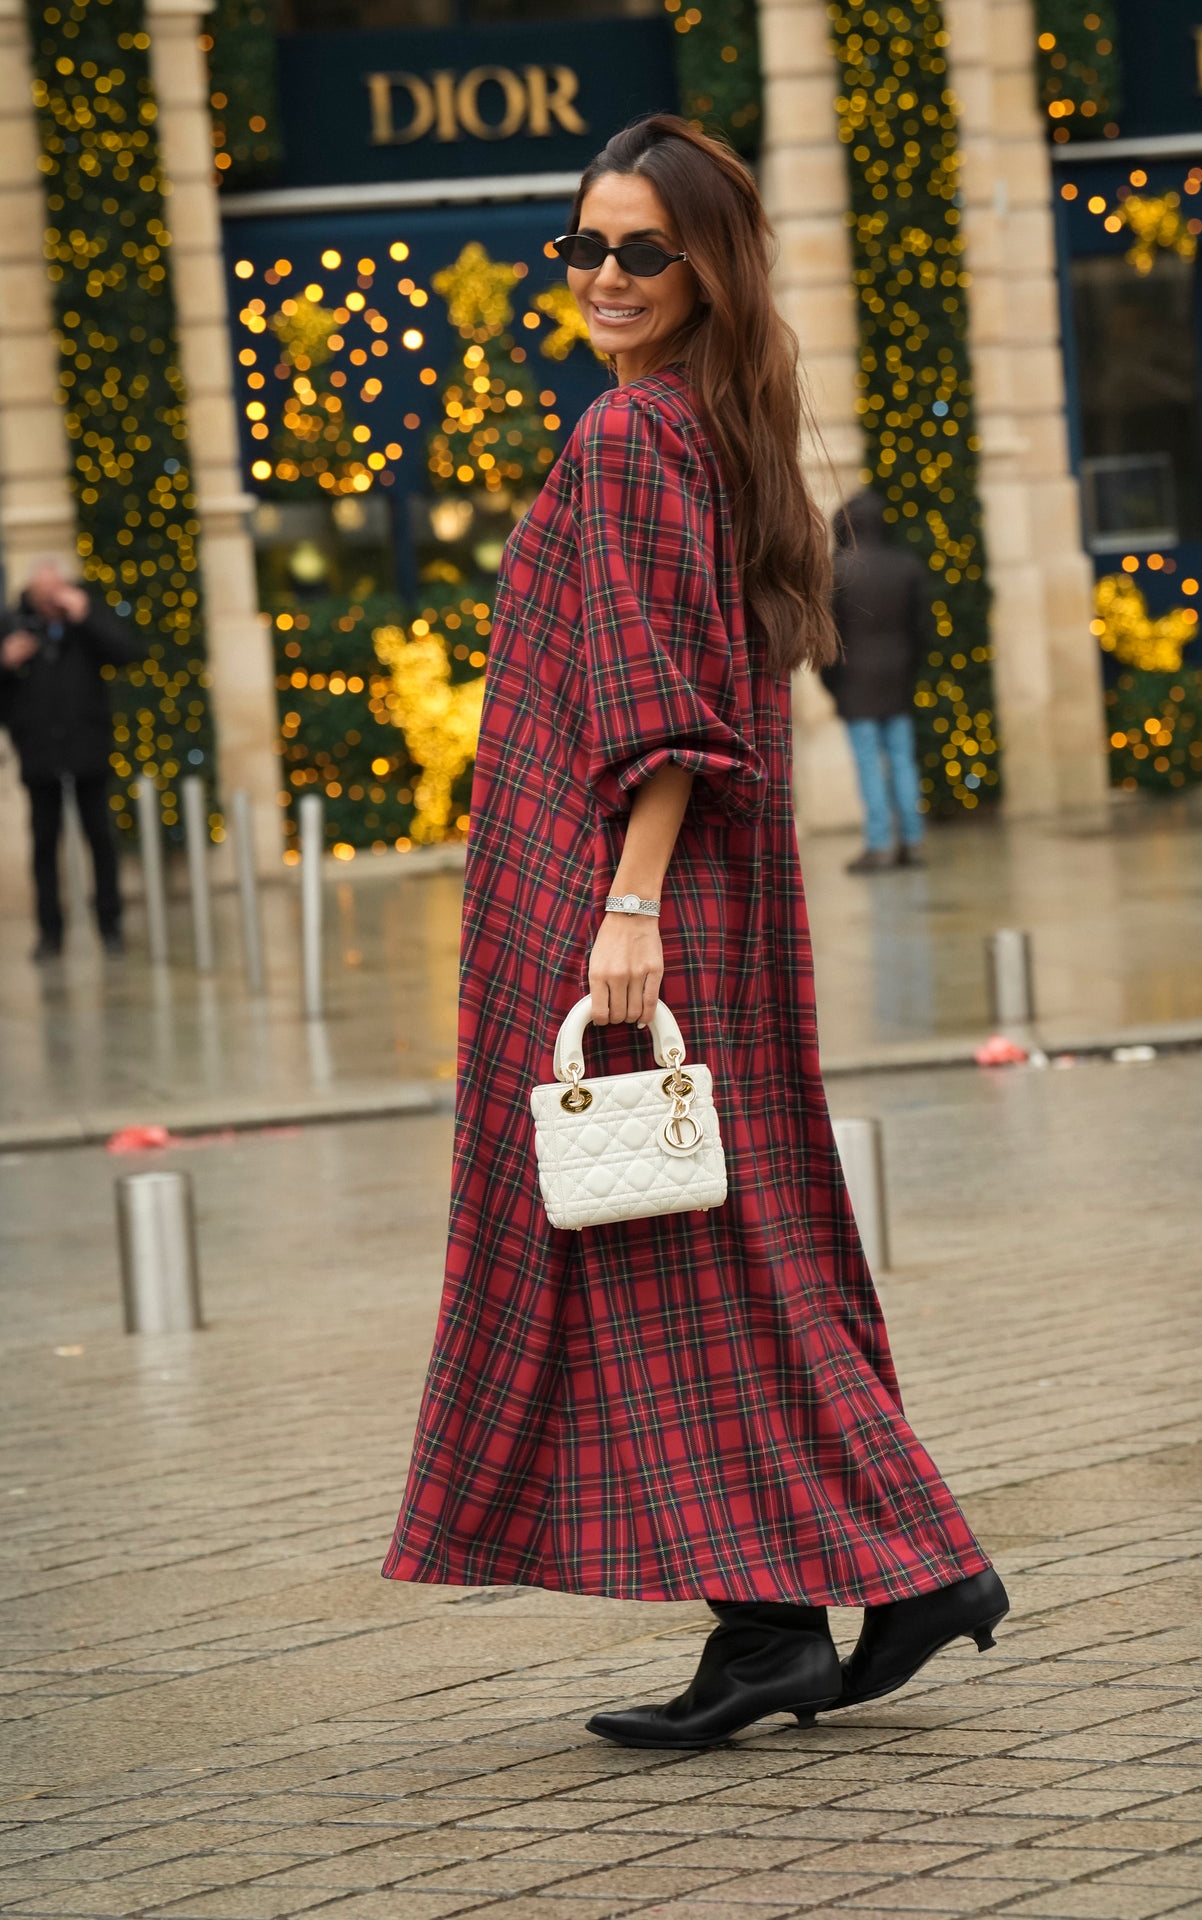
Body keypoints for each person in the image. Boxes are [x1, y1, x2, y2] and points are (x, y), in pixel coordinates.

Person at [384, 114, 1007, 1749]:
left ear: (706, 265)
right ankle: (779, 1617)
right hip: (698, 908)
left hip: (645, 913)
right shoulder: (715, 425)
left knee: (707, 1268)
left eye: (639, 249)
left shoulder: (635, 435)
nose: (602, 275)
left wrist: (627, 910)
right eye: (583, 246)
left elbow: (659, 709)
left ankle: (894, 1566)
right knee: (725, 1263)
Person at [0, 559, 140, 958]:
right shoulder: (12, 625)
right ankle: (49, 932)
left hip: (87, 749)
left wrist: (86, 616)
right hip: (39, 751)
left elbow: (126, 653)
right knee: (44, 843)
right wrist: (6, 661)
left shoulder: (86, 618)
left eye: (55, 591)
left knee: (100, 838)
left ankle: (110, 925)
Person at [821, 486, 931, 872]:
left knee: (870, 762)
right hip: (898, 678)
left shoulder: (838, 571)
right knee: (902, 759)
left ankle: (879, 843)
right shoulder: (906, 565)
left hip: (856, 683)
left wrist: (832, 685)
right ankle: (912, 839)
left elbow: (828, 640)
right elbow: (923, 631)